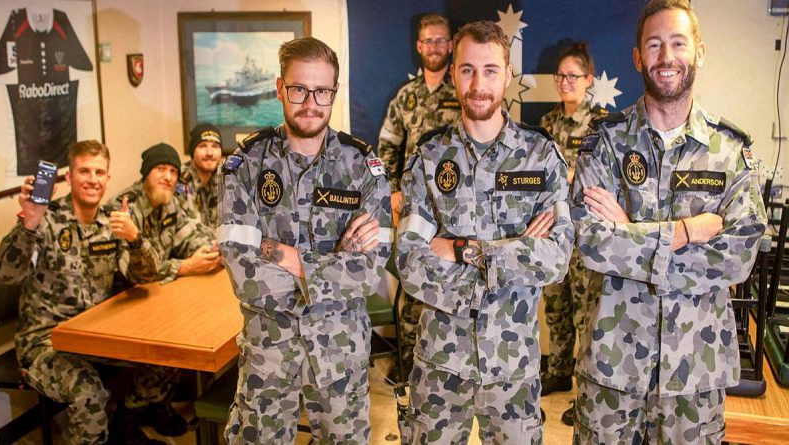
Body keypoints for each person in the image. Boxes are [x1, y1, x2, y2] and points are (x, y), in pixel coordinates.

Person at [570, 0, 766, 442]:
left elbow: (737, 258)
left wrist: (629, 231)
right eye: (654, 45)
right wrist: (685, 232)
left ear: (699, 51)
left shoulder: (731, 150)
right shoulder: (604, 143)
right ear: (638, 57)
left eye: (678, 43)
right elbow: (589, 241)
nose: (666, 56)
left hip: (695, 375)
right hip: (612, 369)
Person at [396, 21, 573, 443]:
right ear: (454, 74)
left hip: (512, 367)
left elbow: (558, 258)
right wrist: (518, 248)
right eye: (469, 70)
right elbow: (410, 259)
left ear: (507, 75)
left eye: (490, 70)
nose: (479, 84)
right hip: (440, 364)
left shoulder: (541, 156)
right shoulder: (428, 156)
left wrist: (465, 251)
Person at [218, 37, 392, 444]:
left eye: (322, 91)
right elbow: (245, 276)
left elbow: (368, 274)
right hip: (268, 357)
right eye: (299, 89)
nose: (310, 102)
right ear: (280, 88)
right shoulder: (244, 165)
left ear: (334, 92)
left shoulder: (364, 169)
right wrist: (334, 265)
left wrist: (284, 256)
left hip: (340, 357)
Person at [0, 140, 182, 445]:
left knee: (167, 358)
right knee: (89, 393)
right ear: (69, 178)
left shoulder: (113, 220)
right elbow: (5, 272)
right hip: (47, 342)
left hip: (98, 335)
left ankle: (125, 425)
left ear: (107, 179)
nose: (92, 179)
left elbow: (146, 276)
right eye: (84, 171)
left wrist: (135, 240)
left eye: (99, 172)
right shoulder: (46, 219)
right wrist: (29, 223)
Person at [377, 12, 461, 384]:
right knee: (411, 283)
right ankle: (408, 359)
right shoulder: (405, 97)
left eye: (441, 40)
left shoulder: (461, 91)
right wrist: (392, 190)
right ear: (418, 46)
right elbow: (387, 149)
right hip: (413, 208)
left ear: (451, 45)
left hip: (454, 209)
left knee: (448, 282)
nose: (434, 47)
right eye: (428, 40)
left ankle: (446, 360)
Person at [538, 43, 606, 424]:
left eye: (573, 76)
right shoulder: (548, 123)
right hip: (552, 231)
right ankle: (559, 372)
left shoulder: (601, 124)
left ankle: (584, 393)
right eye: (560, 76)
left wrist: (562, 177)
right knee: (556, 305)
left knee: (585, 314)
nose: (565, 82)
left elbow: (592, 180)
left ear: (588, 80)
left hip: (585, 234)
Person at [114, 143, 219, 283]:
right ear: (146, 173)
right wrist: (185, 266)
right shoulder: (125, 208)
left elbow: (188, 237)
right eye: (161, 169)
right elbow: (135, 274)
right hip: (130, 295)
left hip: (161, 289)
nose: (168, 177)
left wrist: (211, 250)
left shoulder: (170, 202)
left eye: (173, 171)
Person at [178, 123, 223, 228]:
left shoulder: (225, 180)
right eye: (202, 146)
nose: (209, 153)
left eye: (215, 146)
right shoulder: (180, 181)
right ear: (193, 151)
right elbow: (188, 229)